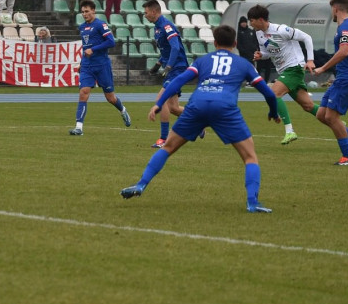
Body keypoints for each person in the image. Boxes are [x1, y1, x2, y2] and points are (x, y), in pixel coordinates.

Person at [119, 24, 279, 213]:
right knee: (250, 156)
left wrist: (159, 102)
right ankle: (252, 203)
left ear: (215, 43)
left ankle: (140, 184)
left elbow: (179, 80)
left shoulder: (203, 61)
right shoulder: (244, 64)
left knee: (168, 147)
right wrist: (273, 111)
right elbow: (268, 93)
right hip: (224, 107)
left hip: (197, 105)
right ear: (235, 43)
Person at [247, 4, 318, 146]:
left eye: (252, 20)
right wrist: (262, 55)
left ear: (261, 19)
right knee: (308, 106)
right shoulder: (259, 33)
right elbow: (268, 52)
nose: (250, 23)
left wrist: (310, 60)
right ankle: (334, 120)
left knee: (273, 93)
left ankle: (289, 131)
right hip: (285, 71)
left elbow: (307, 37)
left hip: (294, 67)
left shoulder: (281, 30)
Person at [311, 0, 348, 165]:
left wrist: (323, 68)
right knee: (322, 114)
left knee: (332, 117)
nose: (331, 13)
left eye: (331, 10)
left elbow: (344, 51)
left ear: (336, 9)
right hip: (345, 76)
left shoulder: (345, 28)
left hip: (347, 78)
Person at [69, 0, 131, 136]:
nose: (84, 14)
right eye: (83, 12)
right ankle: (79, 127)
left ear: (93, 11)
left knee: (110, 98)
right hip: (87, 66)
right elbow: (85, 48)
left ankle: (122, 110)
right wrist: (81, 62)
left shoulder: (100, 25)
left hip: (102, 66)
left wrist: (94, 49)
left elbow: (111, 42)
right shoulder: (82, 27)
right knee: (83, 93)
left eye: (87, 11)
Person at [143, 0, 189, 148]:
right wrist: (158, 65)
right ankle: (198, 123)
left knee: (161, 100)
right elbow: (166, 51)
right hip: (173, 68)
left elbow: (175, 48)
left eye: (146, 12)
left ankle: (163, 139)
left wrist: (168, 67)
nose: (145, 15)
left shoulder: (166, 26)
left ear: (154, 12)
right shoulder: (157, 27)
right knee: (173, 107)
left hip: (178, 68)